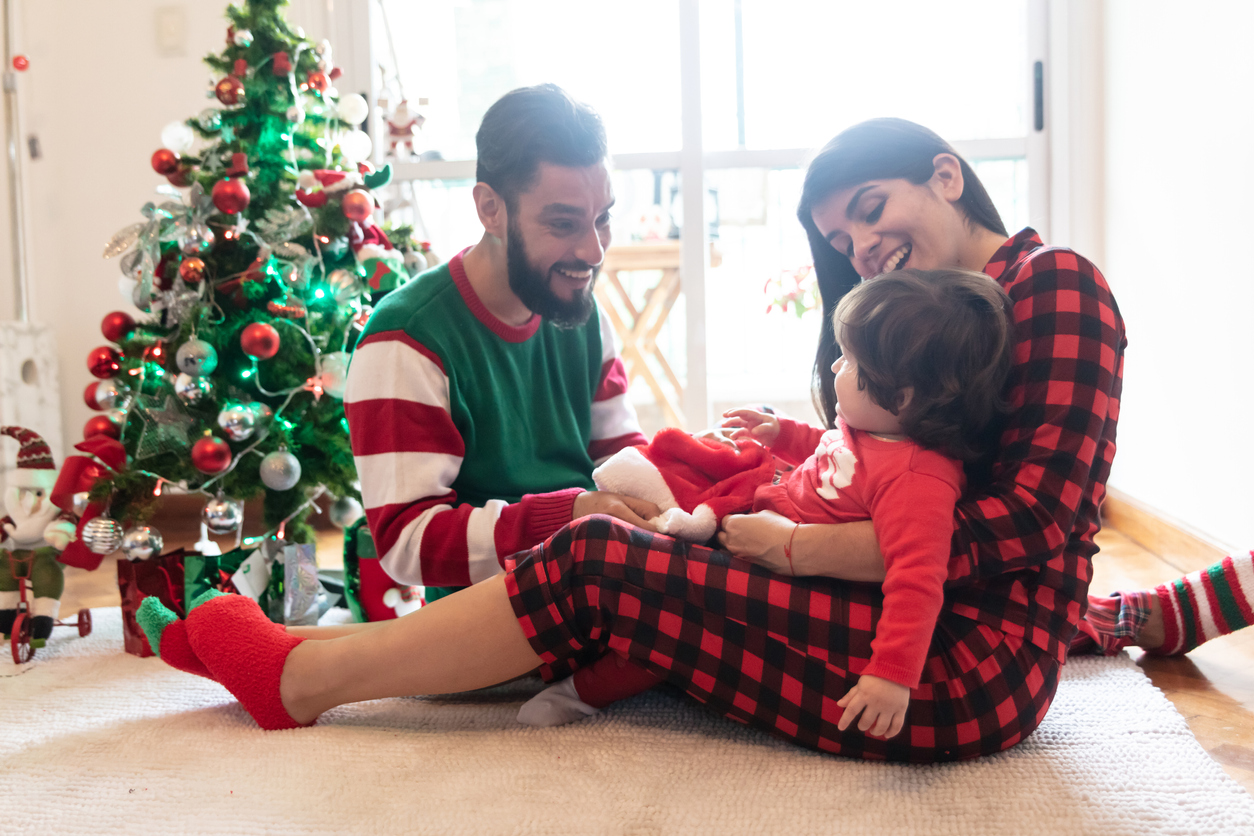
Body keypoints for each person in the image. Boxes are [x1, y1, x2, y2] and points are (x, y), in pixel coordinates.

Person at [138, 117, 1249, 761]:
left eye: (874, 207)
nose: (861, 244)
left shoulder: (1053, 289)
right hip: (916, 617)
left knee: (601, 562)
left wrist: (785, 545)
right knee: (654, 537)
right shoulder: (950, 316)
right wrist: (794, 469)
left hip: (946, 670)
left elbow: (1025, 523)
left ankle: (305, 677)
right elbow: (907, 475)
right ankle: (303, 660)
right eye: (841, 236)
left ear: (947, 175)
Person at [517, 268, 1016, 735]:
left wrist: (890, 675)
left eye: (852, 362)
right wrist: (781, 433)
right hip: (755, 517)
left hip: (780, 573)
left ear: (903, 396)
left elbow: (918, 580)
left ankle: (584, 691)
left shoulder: (918, 480)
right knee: (655, 497)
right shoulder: (876, 427)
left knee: (672, 620)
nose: (836, 365)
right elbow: (828, 449)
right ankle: (559, 612)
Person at [342, 83, 655, 618]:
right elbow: (406, 544)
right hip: (488, 614)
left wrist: (692, 478)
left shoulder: (575, 305)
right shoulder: (406, 339)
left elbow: (621, 456)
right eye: (563, 224)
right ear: (490, 208)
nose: (593, 250)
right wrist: (571, 516)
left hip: (597, 578)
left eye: (602, 217)